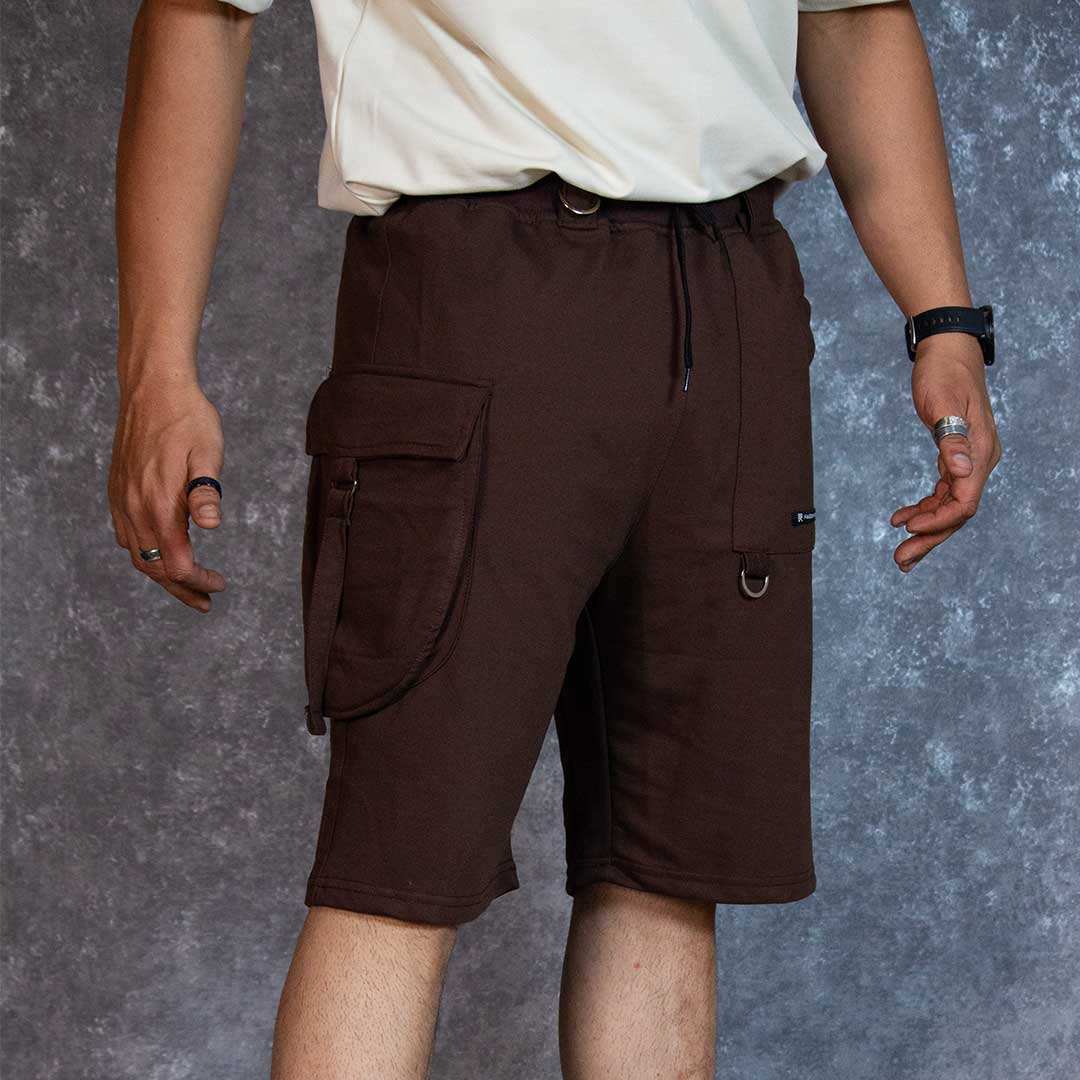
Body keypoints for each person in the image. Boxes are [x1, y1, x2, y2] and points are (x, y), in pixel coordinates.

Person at [108, 1, 1002, 1076]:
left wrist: (943, 318)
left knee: (664, 869)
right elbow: (201, 14)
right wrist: (156, 373)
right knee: (396, 868)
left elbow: (853, 19)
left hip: (735, 299)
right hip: (477, 295)